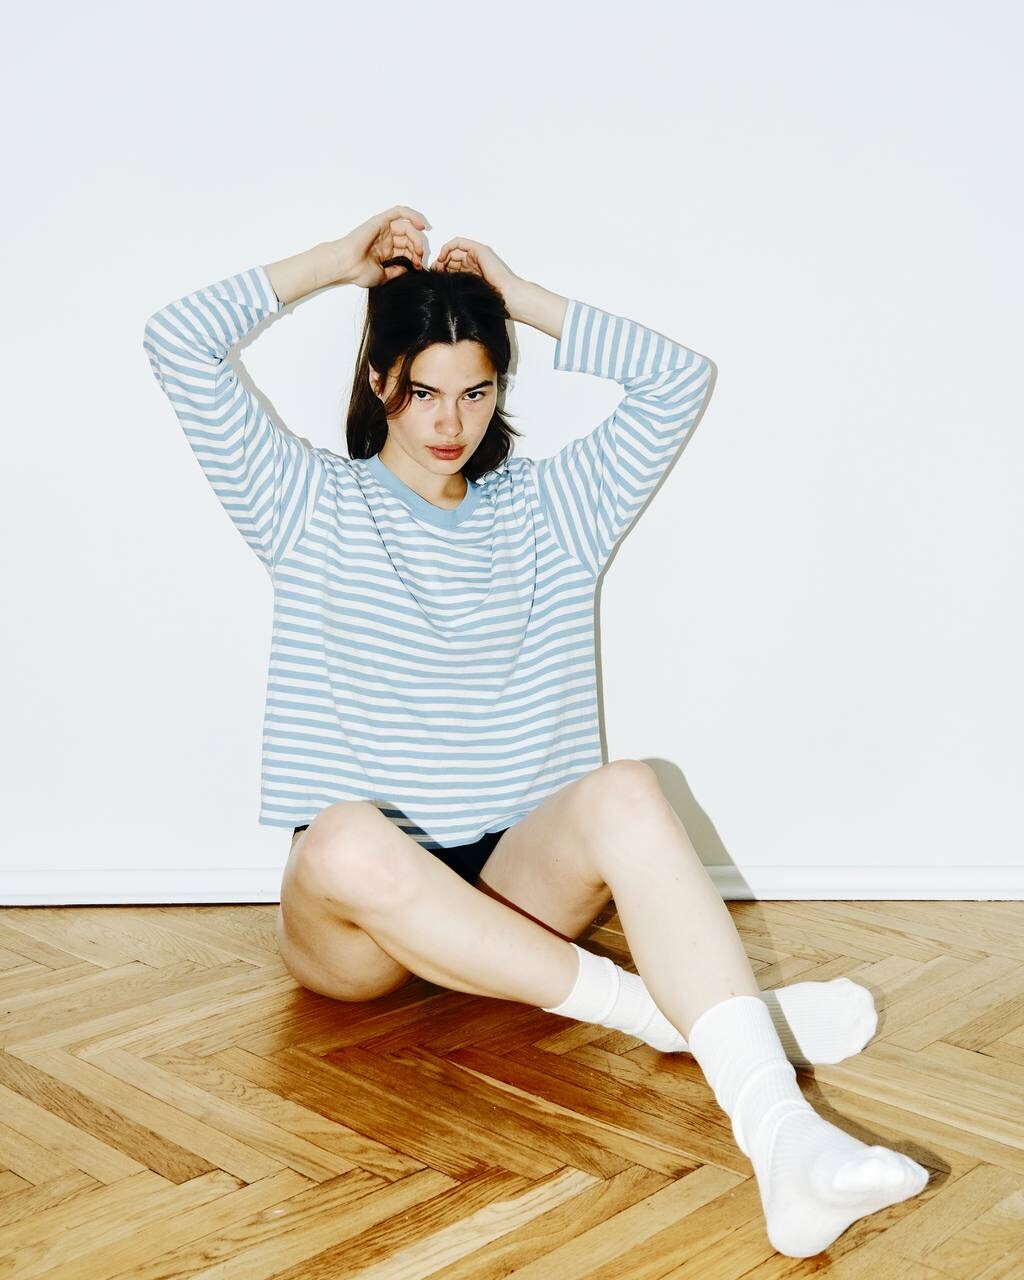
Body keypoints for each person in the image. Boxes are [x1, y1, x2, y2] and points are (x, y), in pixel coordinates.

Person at [142, 205, 929, 1257]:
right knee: (341, 834)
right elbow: (175, 340)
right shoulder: (307, 504)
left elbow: (677, 379)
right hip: (359, 923)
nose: (449, 421)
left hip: (515, 881)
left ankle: (786, 1140)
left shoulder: (556, 509)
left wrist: (518, 296)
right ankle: (679, 1017)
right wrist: (336, 264)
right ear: (379, 381)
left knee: (630, 788)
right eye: (423, 389)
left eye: (476, 390)